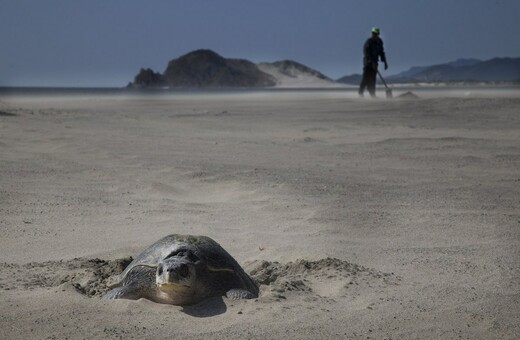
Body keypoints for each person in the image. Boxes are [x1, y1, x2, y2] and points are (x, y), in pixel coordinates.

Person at [358, 27, 388, 97]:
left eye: (376, 34)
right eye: (373, 33)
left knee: (373, 79)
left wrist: (385, 62)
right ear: (372, 33)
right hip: (367, 63)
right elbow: (366, 53)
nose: (374, 35)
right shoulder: (369, 42)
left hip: (375, 62)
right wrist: (371, 62)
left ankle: (372, 94)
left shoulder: (379, 42)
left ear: (378, 34)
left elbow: (381, 52)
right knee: (366, 78)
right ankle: (360, 93)